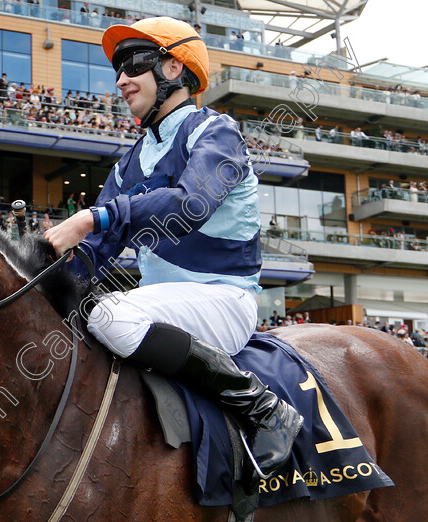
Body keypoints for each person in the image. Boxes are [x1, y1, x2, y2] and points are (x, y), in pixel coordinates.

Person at [43, 17, 301, 479]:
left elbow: (191, 203)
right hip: (163, 307)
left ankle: (263, 407)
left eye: (133, 64)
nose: (121, 79)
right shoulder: (129, 163)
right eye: (117, 70)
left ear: (174, 69)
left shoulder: (217, 133)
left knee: (106, 313)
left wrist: (91, 216)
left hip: (223, 300)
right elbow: (93, 253)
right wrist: (41, 274)